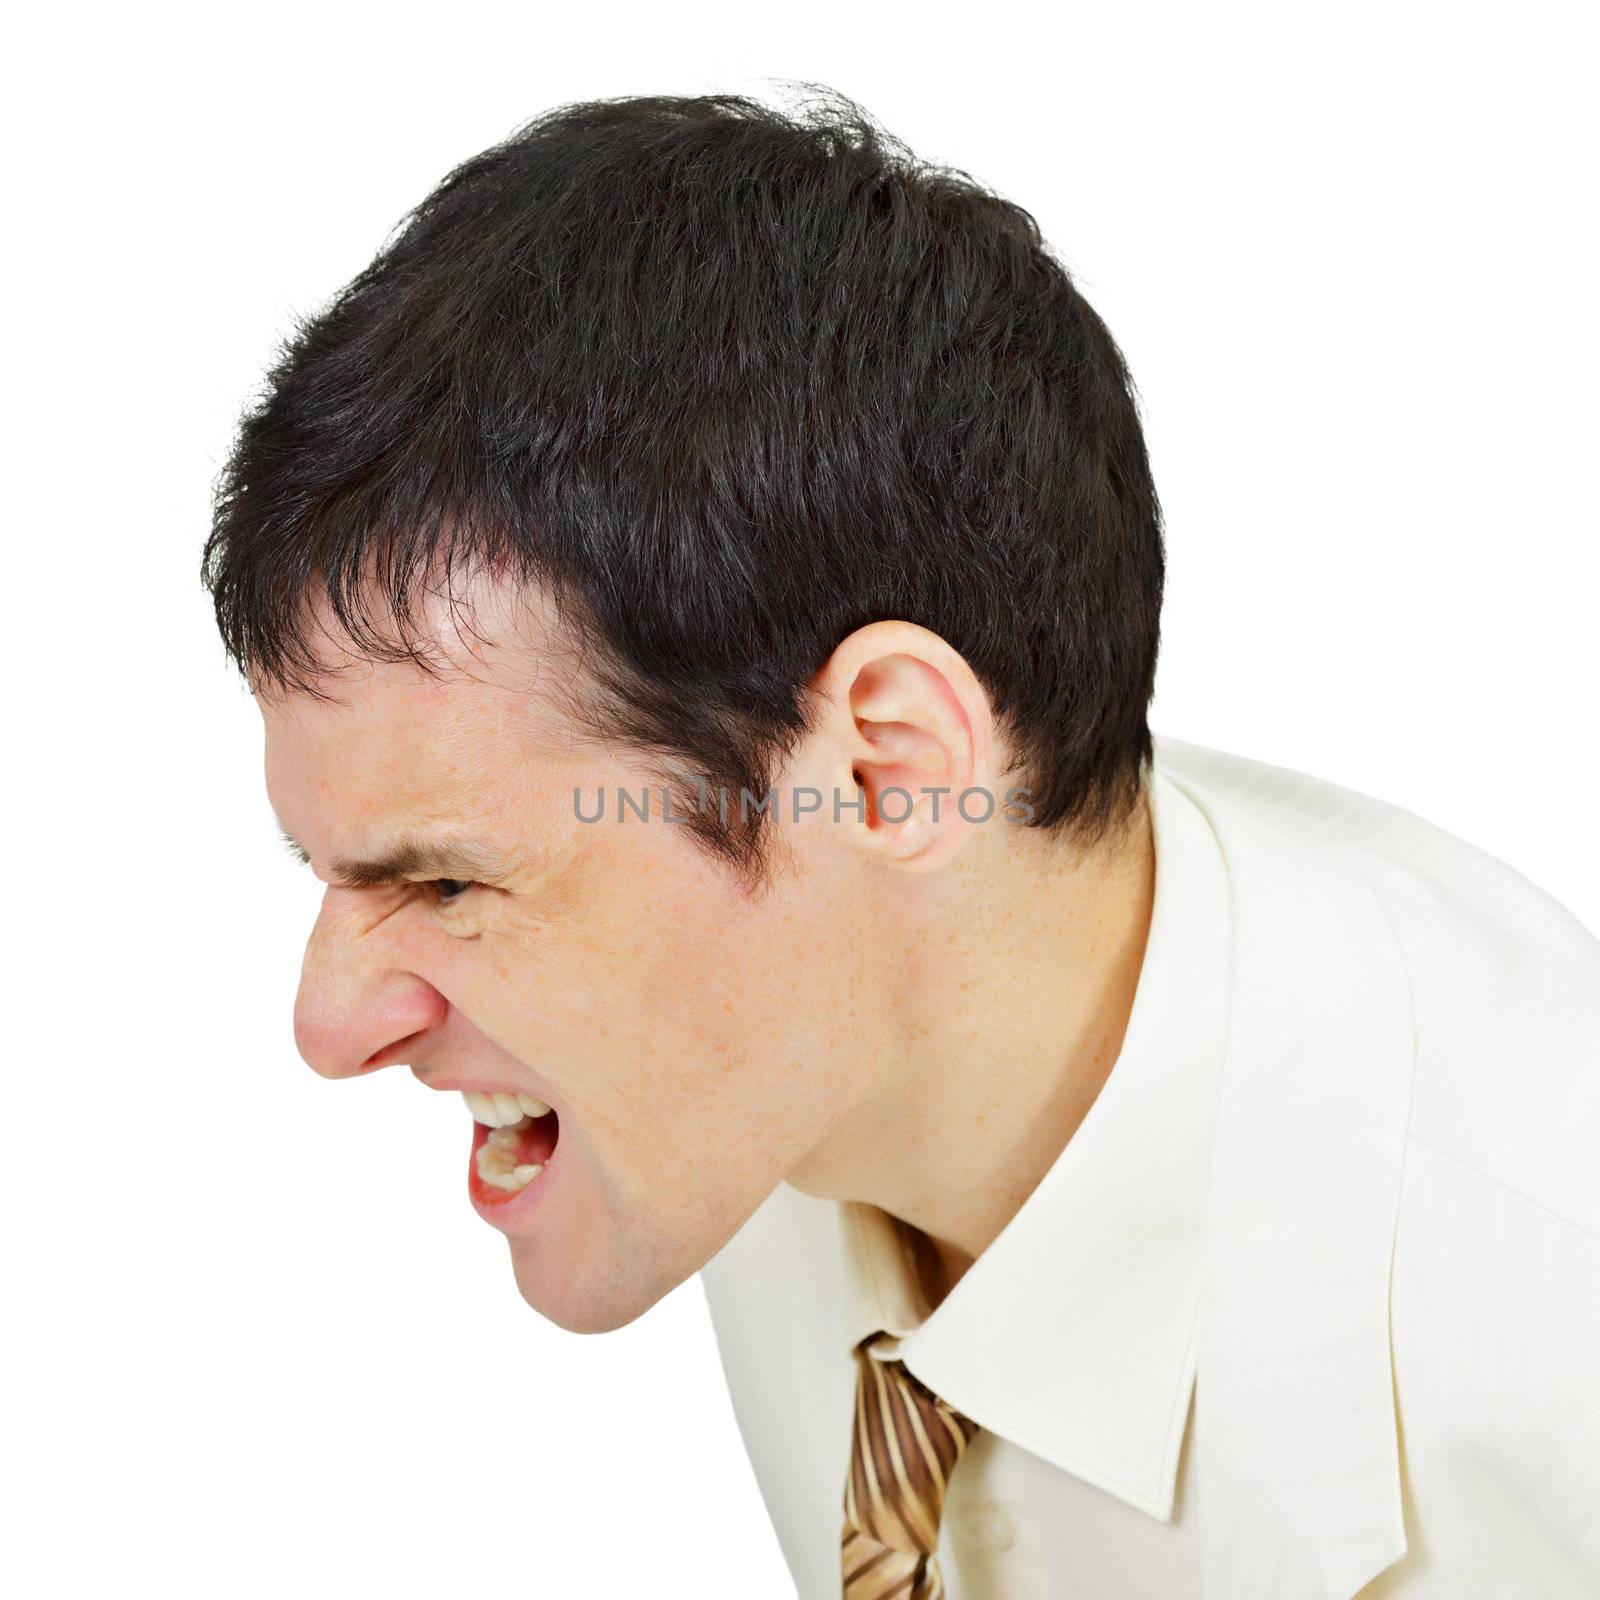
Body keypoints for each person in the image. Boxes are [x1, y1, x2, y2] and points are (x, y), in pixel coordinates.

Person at [201, 87, 1600, 1599]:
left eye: (452, 881)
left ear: (887, 775)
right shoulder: (800, 1042)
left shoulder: (1545, 1347)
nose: (328, 1027)